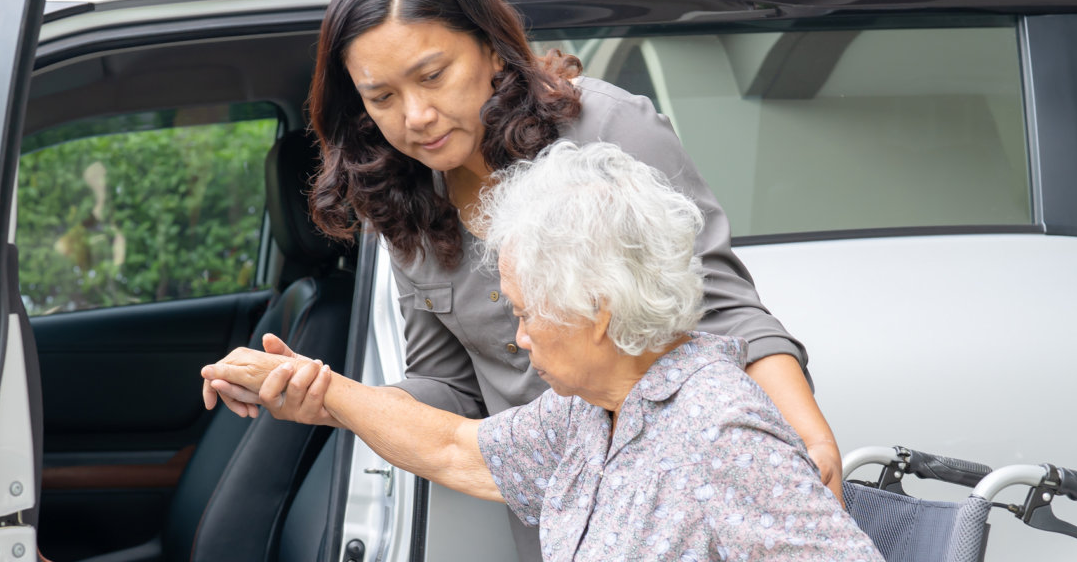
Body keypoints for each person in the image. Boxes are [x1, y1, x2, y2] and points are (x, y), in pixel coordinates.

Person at [204, 0, 846, 556]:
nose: (417, 116)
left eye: (433, 76)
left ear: (489, 47)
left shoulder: (608, 131)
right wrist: (330, 395)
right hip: (552, 507)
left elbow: (728, 311)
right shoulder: (399, 195)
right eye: (382, 97)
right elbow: (451, 389)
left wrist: (803, 438)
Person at [204, 141, 880, 561]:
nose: (519, 339)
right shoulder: (589, 413)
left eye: (527, 314)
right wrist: (318, 389)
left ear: (598, 310)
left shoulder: (718, 429)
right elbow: (456, 449)